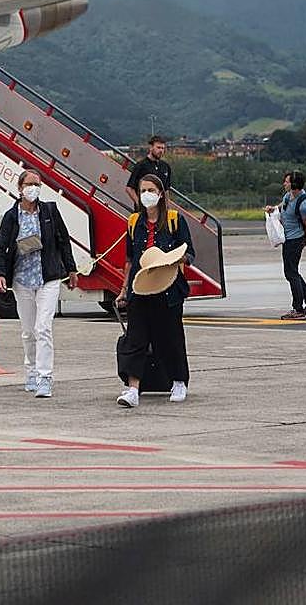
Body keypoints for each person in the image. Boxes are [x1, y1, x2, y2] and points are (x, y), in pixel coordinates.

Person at [0, 169, 78, 398]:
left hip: (48, 277)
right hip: (22, 280)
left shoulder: (49, 211)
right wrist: (0, 274)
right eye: (29, 184)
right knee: (29, 332)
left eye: (37, 184)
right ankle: (30, 371)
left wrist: (71, 269)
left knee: (43, 328)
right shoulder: (12, 216)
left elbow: (63, 240)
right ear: (20, 188)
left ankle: (44, 377)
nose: (34, 188)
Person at [115, 174, 194, 407]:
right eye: (142, 191)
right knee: (136, 338)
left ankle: (178, 380)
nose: (146, 195)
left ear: (160, 194)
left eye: (151, 190)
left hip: (168, 289)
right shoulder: (133, 222)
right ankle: (133, 388)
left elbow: (189, 252)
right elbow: (130, 259)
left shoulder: (174, 220)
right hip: (140, 288)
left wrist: (173, 260)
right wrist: (123, 289)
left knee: (170, 337)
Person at [265, 171, 306, 319]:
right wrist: (274, 208)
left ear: (294, 184)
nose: (284, 184)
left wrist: (304, 241)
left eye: (287, 182)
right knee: (292, 272)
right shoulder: (288, 196)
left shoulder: (304, 204)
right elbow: (283, 205)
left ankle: (298, 308)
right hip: (287, 238)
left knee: (291, 273)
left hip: (295, 240)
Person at [125, 135, 172, 205]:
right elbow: (129, 188)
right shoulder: (140, 165)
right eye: (158, 147)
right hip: (144, 210)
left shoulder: (166, 167)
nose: (161, 151)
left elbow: (166, 190)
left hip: (160, 211)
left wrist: (167, 207)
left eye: (163, 148)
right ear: (151, 147)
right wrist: (140, 205)